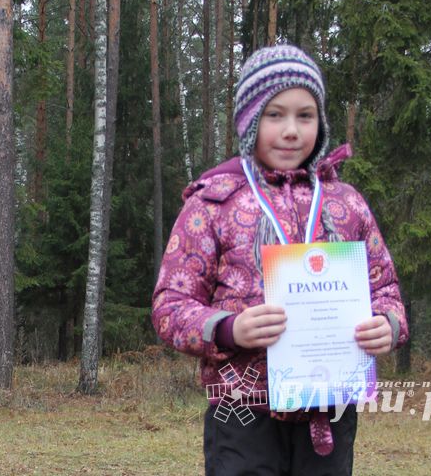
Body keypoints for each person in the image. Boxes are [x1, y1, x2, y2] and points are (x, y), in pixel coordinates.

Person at [151, 44, 408, 475]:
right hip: (242, 410)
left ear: (320, 122)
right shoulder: (214, 203)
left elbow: (385, 290)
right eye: (275, 114)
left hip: (329, 412)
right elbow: (169, 305)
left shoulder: (348, 204)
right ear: (250, 119)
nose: (291, 130)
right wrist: (230, 328)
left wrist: (389, 325)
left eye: (305, 115)